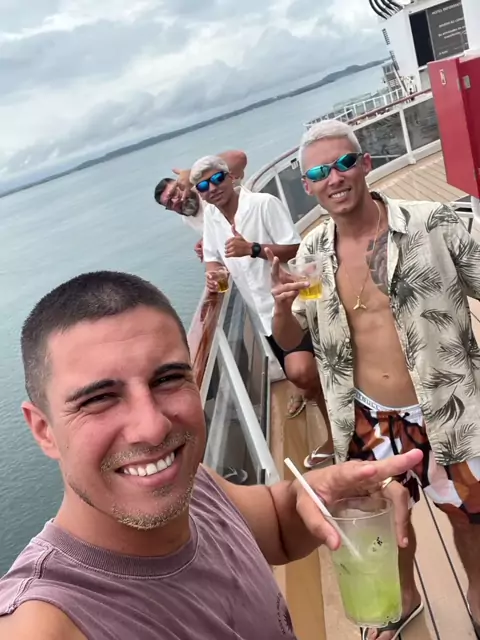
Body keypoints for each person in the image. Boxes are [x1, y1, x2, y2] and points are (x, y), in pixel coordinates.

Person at [0, 270, 422, 639]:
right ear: (43, 429)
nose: (152, 427)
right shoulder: (45, 619)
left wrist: (317, 494)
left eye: (167, 379)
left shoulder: (195, 486)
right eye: (99, 399)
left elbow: (277, 526)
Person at [269, 118, 480, 640]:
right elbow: (297, 336)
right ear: (308, 186)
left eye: (344, 163)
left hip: (448, 405)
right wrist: (280, 309)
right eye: (319, 172)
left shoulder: (431, 223)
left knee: (470, 516)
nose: (335, 177)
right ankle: (404, 599)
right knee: (382, 521)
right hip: (369, 417)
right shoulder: (313, 254)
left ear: (365, 164)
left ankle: (478, 592)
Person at [192, 154, 332, 430]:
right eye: (203, 186)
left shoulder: (263, 204)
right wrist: (214, 274)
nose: (213, 188)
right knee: (304, 376)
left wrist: (253, 249)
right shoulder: (211, 216)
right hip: (264, 317)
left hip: (294, 304)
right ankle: (335, 428)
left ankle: (338, 425)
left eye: (217, 178)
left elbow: (295, 248)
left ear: (231, 177)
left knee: (304, 372)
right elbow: (212, 257)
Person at [154, 150, 247, 261]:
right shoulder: (187, 219)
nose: (175, 201)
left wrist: (192, 174)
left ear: (182, 184)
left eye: (174, 193)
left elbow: (238, 157)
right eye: (170, 203)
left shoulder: (209, 188)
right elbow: (217, 229)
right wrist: (206, 241)